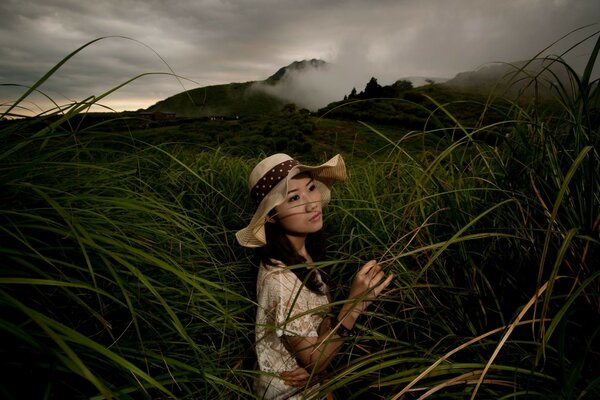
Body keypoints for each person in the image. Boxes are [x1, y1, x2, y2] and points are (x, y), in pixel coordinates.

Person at [236, 153, 393, 400]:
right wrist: (355, 304)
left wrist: (316, 369)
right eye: (294, 198)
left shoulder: (304, 251)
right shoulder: (279, 279)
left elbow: (316, 344)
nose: (312, 204)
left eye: (311, 188)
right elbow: (315, 360)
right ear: (271, 216)